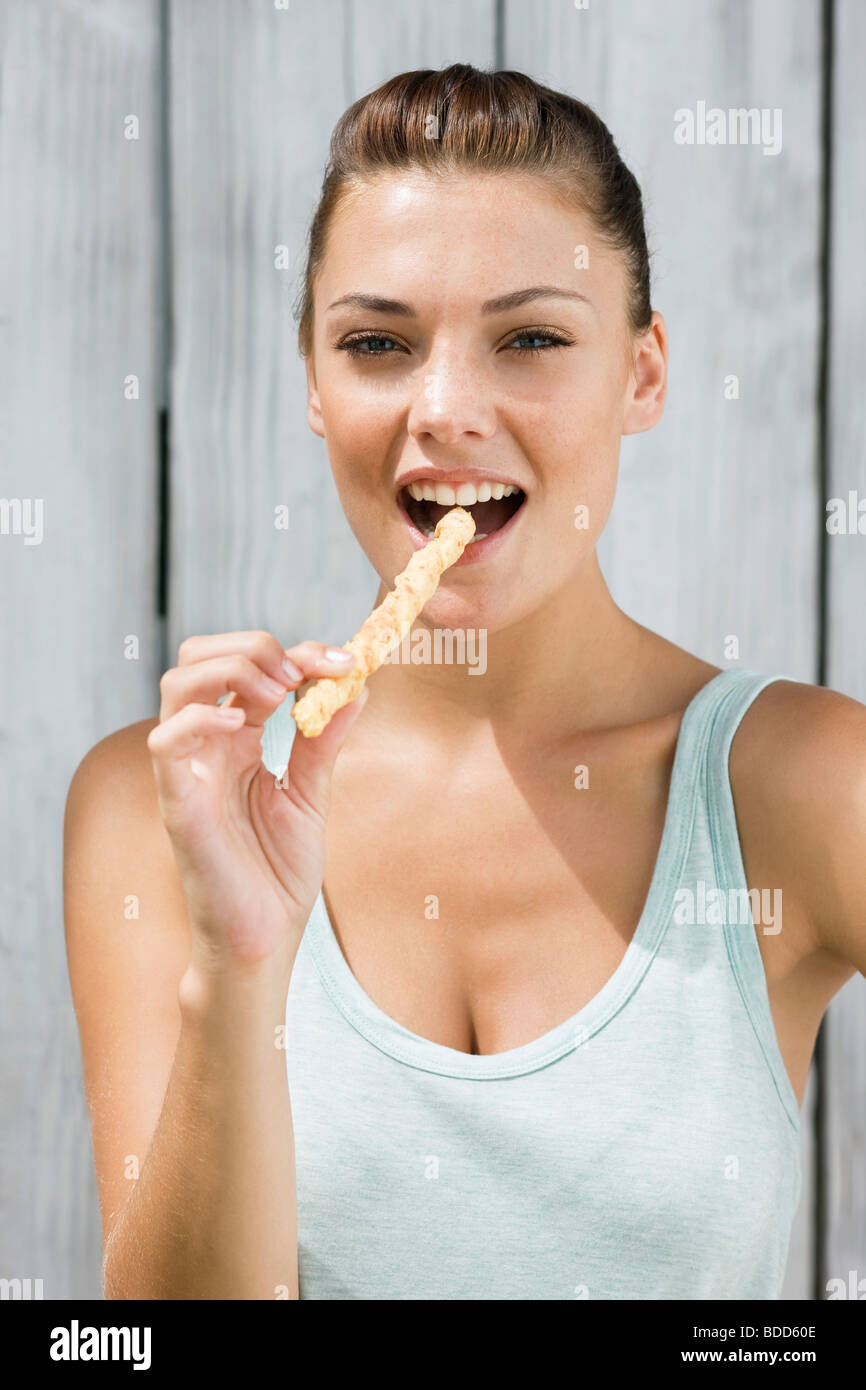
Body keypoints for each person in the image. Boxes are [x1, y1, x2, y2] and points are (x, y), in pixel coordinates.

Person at [64, 64, 865, 1301]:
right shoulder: (153, 802)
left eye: (531, 337)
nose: (442, 409)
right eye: (377, 343)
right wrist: (238, 966)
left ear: (642, 374)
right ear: (316, 387)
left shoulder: (802, 783)